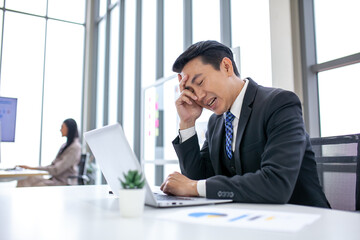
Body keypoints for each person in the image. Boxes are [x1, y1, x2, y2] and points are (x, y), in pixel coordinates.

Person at [160, 40, 330, 208]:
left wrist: (193, 187)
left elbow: (276, 184)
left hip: (303, 220)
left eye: (200, 83)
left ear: (227, 67)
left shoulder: (279, 103)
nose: (198, 96)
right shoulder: (216, 123)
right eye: (190, 90)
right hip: (251, 220)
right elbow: (197, 179)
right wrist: (187, 122)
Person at [17, 118, 81, 187]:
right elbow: (52, 166)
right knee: (25, 178)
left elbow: (56, 170)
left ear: (69, 129)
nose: (60, 130)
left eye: (62, 127)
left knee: (37, 184)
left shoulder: (75, 148)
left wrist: (32, 168)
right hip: (54, 179)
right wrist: (30, 168)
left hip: (63, 182)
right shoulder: (65, 146)